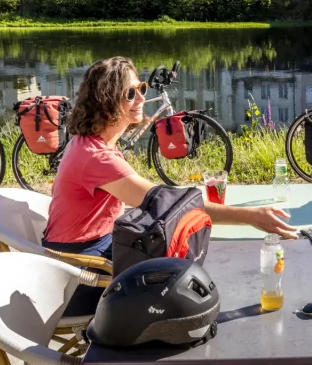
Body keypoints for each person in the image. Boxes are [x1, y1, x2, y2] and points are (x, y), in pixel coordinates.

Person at [42, 56, 297, 314]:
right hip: (82, 275)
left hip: (87, 252)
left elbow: (157, 200)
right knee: (185, 274)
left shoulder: (93, 142)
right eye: (130, 93)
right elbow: (166, 206)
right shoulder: (97, 157)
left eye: (141, 88)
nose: (142, 98)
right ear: (105, 100)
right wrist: (253, 217)